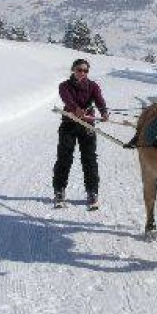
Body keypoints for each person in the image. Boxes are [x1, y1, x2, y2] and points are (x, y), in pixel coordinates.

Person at [52, 58, 109, 210]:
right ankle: (59, 190)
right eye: (79, 70)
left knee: (89, 159)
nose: (82, 73)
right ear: (73, 70)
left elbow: (99, 100)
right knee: (64, 158)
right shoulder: (64, 86)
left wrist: (103, 112)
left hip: (87, 125)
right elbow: (67, 100)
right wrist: (75, 109)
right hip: (69, 124)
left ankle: (92, 192)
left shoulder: (92, 85)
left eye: (85, 70)